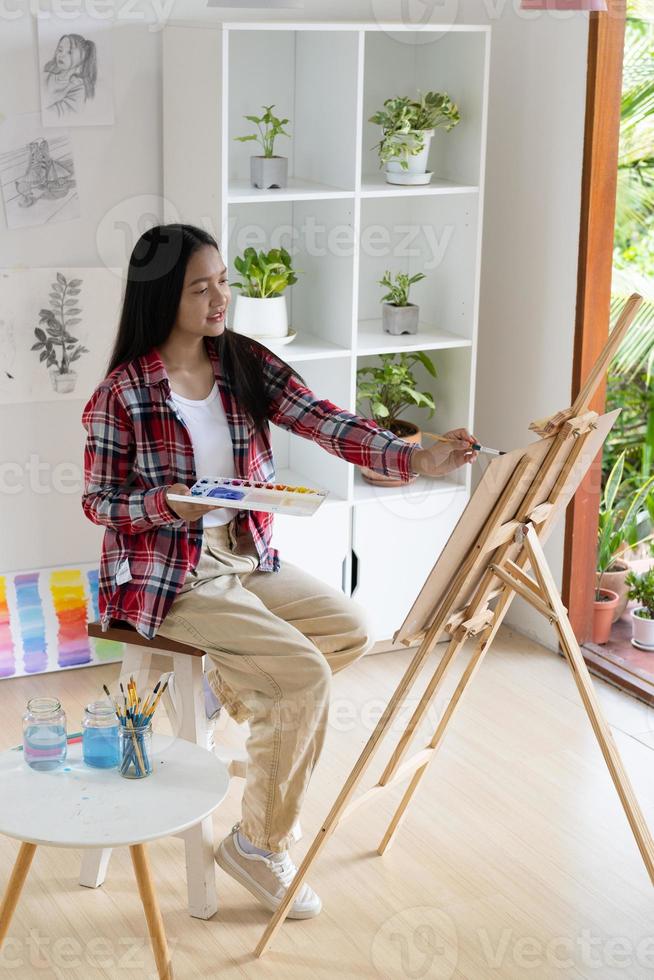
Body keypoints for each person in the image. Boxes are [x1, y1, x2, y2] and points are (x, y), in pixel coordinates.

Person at [80, 223, 477, 920]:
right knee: (302, 675)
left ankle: (236, 693)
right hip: (168, 574)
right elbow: (98, 502)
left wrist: (415, 459)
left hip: (243, 552)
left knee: (352, 628)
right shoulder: (124, 392)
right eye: (200, 286)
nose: (220, 297)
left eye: (223, 281)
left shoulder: (243, 362)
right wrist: (165, 502)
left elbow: (324, 421)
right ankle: (259, 844)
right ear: (163, 295)